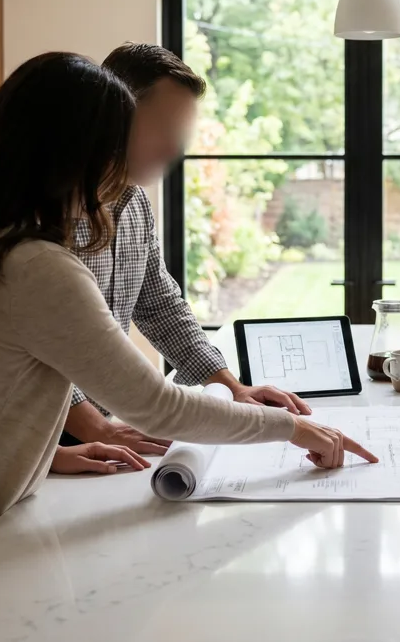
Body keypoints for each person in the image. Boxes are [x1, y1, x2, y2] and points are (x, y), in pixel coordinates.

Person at [0, 52, 377, 635]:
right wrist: (294, 429)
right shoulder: (35, 265)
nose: (124, 167)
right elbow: (157, 406)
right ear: (78, 152)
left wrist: (45, 457)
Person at [50, 44, 308, 475]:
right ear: (115, 116)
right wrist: (97, 428)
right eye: (165, 129)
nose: (176, 150)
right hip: (50, 429)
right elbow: (49, 347)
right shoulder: (50, 217)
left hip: (96, 426)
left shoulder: (135, 204)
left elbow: (159, 303)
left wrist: (230, 386)